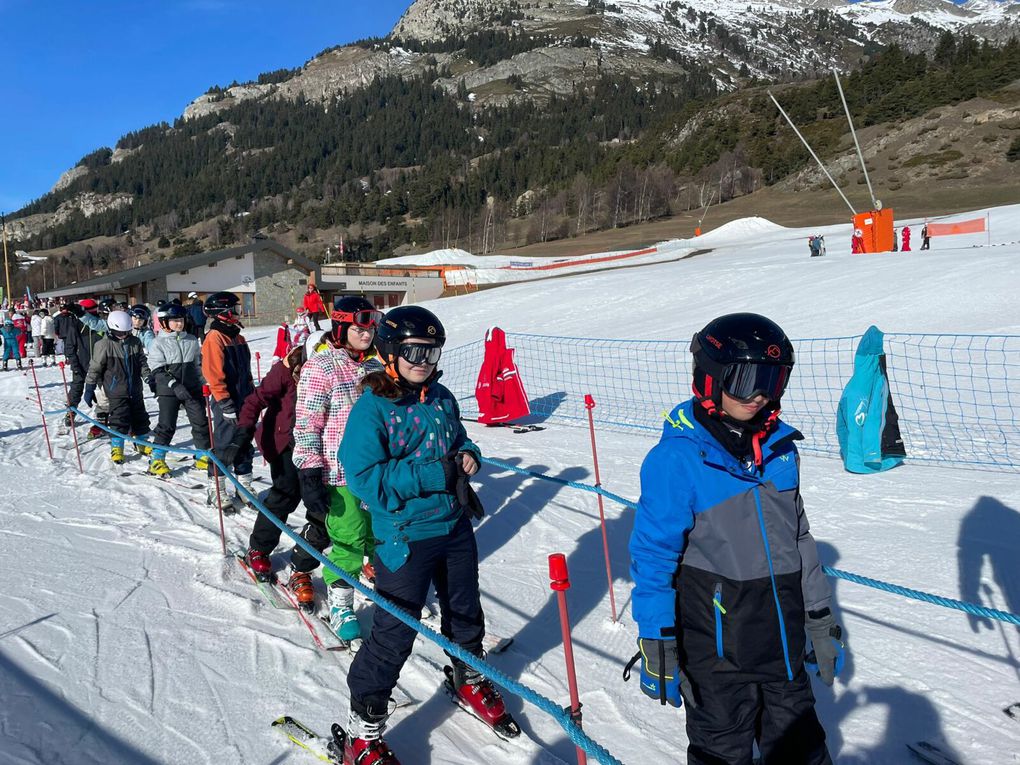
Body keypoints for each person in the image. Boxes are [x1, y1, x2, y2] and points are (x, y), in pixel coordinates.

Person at [628, 312, 844, 765]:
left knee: (803, 751)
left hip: (782, 644)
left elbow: (800, 539)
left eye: (772, 379)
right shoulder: (677, 460)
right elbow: (653, 556)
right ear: (711, 379)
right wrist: (656, 634)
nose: (760, 394)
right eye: (746, 380)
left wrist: (820, 616)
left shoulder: (781, 451)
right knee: (722, 754)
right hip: (716, 654)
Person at [336, 305, 516, 764]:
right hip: (403, 536)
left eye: (432, 352)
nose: (423, 360)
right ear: (391, 351)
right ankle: (365, 730)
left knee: (465, 612)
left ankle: (468, 675)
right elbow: (364, 478)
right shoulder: (372, 410)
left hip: (453, 526)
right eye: (414, 350)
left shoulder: (441, 398)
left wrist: (470, 454)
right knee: (394, 632)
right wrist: (432, 475)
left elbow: (458, 441)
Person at [291, 297, 384, 626]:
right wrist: (310, 471)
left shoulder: (375, 367)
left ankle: (381, 581)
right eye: (360, 327)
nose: (367, 333)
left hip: (376, 471)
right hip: (339, 471)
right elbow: (307, 424)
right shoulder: (322, 366)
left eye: (371, 327)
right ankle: (342, 602)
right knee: (348, 539)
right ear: (342, 326)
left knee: (379, 533)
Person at [233, 334, 319, 583]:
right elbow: (256, 400)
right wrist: (242, 432)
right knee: (285, 495)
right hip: (285, 442)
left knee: (321, 505)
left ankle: (304, 561)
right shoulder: (286, 369)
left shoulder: (337, 370)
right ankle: (259, 548)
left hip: (320, 445)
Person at [202, 291, 256, 509]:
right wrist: (224, 402)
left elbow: (246, 371)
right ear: (222, 313)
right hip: (226, 400)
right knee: (224, 444)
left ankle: (244, 485)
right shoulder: (214, 338)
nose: (238, 313)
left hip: (244, 399)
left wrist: (253, 396)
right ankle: (216, 488)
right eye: (234, 310)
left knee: (244, 442)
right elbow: (213, 373)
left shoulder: (237, 336)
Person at [146, 304, 210, 477]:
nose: (179, 324)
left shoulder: (190, 340)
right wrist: (174, 385)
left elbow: (197, 366)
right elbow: (157, 370)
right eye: (174, 320)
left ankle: (203, 455)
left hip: (191, 389)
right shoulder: (158, 343)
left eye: (181, 320)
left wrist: (204, 383)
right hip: (169, 391)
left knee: (201, 422)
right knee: (167, 426)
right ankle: (157, 460)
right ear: (165, 322)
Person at [83, 310, 151, 464]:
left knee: (140, 416)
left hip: (135, 388)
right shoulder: (103, 345)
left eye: (126, 332)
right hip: (115, 389)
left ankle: (142, 442)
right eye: (120, 333)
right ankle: (117, 447)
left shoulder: (135, 342)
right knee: (119, 419)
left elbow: (142, 362)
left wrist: (148, 377)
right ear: (111, 329)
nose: (123, 336)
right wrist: (89, 387)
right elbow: (94, 368)